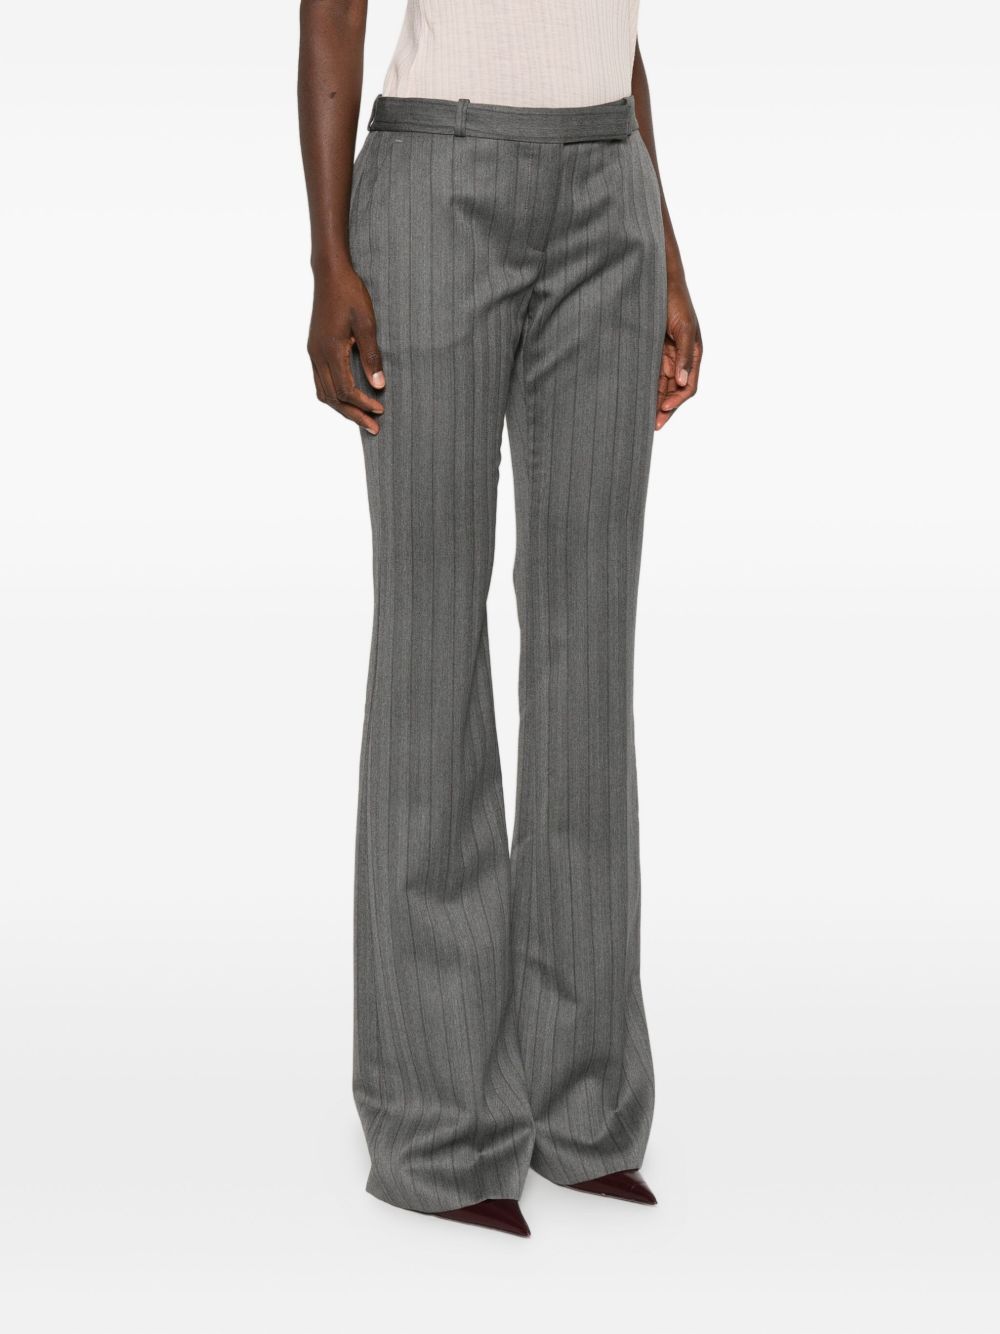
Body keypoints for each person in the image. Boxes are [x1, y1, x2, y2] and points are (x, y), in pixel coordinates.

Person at [298, 0, 703, 1237]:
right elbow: (331, 16)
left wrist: (667, 250)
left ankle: (582, 1105)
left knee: (590, 651)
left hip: (609, 195)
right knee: (431, 639)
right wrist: (327, 261)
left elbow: (610, 31)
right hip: (436, 182)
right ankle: (441, 1121)